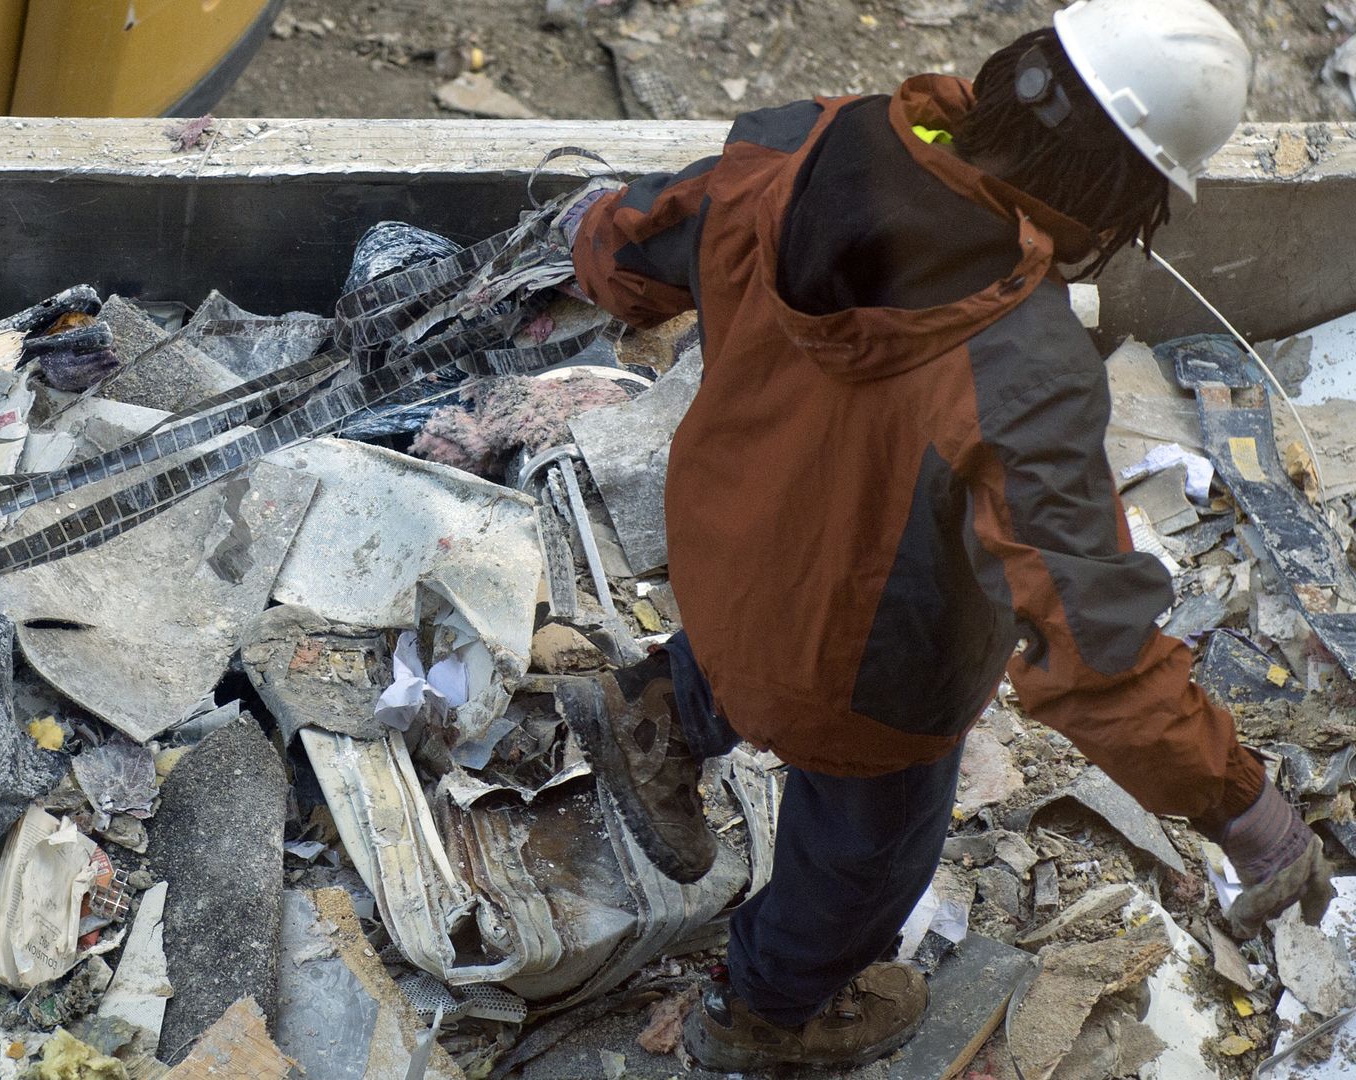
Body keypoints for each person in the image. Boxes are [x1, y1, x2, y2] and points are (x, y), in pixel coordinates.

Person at [553, 0, 1335, 1069]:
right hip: (873, 683)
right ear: (1125, 193)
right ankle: (769, 1013)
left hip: (726, 554)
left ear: (1022, 71)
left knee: (750, 647)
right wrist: (1247, 813)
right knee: (864, 865)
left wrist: (590, 241)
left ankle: (657, 711)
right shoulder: (1021, 372)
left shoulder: (802, 142)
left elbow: (630, 247)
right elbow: (1096, 658)